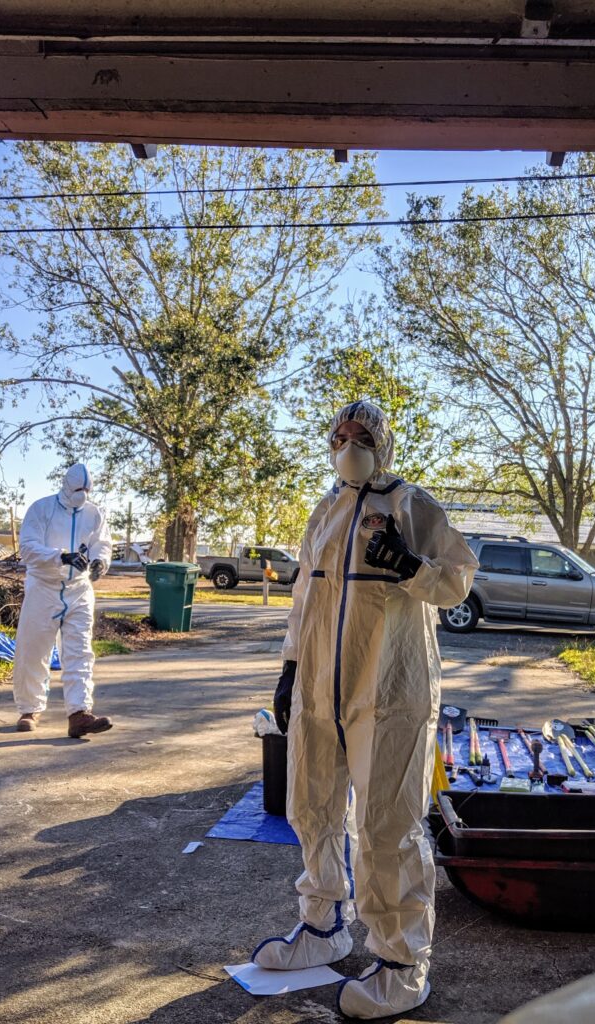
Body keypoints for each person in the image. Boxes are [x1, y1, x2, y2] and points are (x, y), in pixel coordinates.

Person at [252, 400, 478, 1019]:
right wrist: (290, 667)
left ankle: (404, 962)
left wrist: (408, 566)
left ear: (384, 444)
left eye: (361, 436)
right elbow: (305, 598)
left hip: (391, 688)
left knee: (386, 823)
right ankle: (324, 927)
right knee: (311, 803)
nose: (348, 444)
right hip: (318, 685)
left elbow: (459, 580)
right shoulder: (324, 511)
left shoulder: (411, 504)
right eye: (339, 435)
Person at [13, 463, 114, 739]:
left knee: (79, 651)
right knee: (34, 649)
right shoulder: (41, 509)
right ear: (65, 486)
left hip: (79, 589)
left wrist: (100, 563)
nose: (82, 493)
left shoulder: (95, 514)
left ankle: (79, 714)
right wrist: (61, 556)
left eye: (86, 489)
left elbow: (102, 543)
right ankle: (29, 709)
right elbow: (28, 548)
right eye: (77, 489)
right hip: (43, 587)